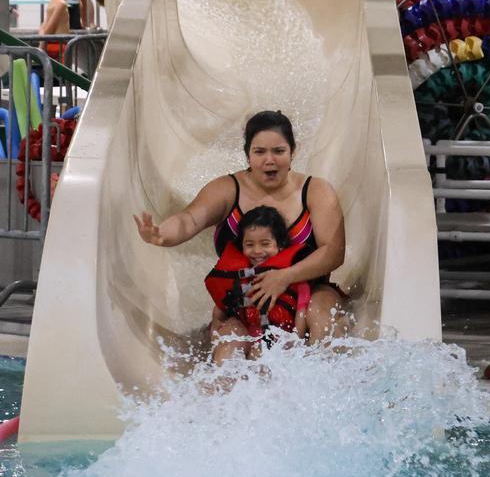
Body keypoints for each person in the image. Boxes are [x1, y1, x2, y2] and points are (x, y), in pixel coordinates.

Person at [135, 110, 348, 364]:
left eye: (278, 151)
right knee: (231, 340)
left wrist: (284, 277)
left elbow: (334, 252)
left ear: (293, 151)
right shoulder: (227, 189)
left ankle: (324, 380)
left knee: (322, 314)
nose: (269, 160)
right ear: (248, 153)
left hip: (310, 291)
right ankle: (226, 393)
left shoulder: (316, 191)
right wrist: (162, 234)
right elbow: (189, 219)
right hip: (247, 304)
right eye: (260, 152)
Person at [205, 205, 310, 360]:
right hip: (247, 336)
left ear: (280, 245)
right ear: (242, 246)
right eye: (250, 244)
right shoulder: (238, 278)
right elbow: (219, 310)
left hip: (279, 340)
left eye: (265, 244)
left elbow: (302, 312)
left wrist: (295, 343)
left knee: (258, 355)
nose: (257, 251)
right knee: (229, 345)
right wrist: (215, 338)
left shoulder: (292, 276)